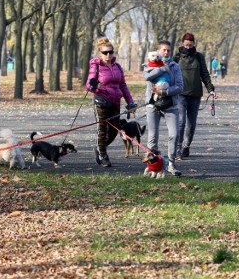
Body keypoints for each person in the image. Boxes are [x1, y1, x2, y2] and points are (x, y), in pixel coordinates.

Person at [86, 36, 136, 167]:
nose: (108, 55)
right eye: (105, 52)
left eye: (110, 52)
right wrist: (94, 86)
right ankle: (103, 155)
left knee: (114, 131)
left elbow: (123, 85)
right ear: (99, 53)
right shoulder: (95, 66)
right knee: (102, 129)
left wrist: (130, 102)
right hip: (101, 101)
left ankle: (99, 147)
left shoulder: (117, 67)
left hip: (115, 102)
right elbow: (88, 84)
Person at [143, 40, 184, 176]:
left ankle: (171, 164)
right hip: (152, 105)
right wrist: (161, 69)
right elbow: (146, 77)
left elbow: (179, 86)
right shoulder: (150, 63)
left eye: (168, 50)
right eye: (163, 50)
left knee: (174, 134)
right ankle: (153, 166)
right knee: (152, 137)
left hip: (170, 104)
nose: (166, 52)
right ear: (158, 51)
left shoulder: (175, 66)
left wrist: (164, 92)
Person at [174, 32, 216, 159]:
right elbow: (170, 74)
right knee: (181, 122)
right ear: (182, 44)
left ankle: (186, 146)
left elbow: (204, 73)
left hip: (195, 95)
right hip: (180, 94)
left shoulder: (199, 57)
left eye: (190, 45)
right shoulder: (176, 57)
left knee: (191, 123)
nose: (188, 47)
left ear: (194, 44)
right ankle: (178, 148)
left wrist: (211, 89)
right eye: (186, 45)